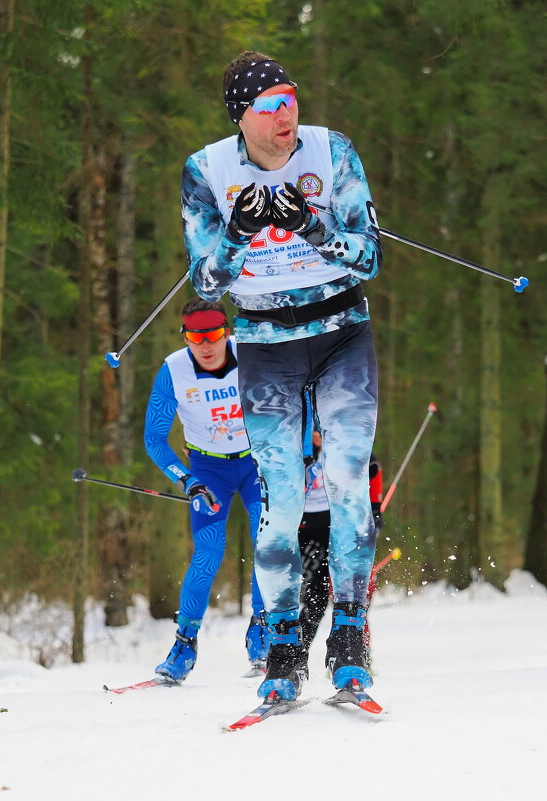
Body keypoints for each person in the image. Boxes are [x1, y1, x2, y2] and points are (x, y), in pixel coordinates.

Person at [181, 50, 382, 702]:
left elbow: (368, 256)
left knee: (350, 482)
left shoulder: (331, 151)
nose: (286, 113)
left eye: (291, 98)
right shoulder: (206, 171)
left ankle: (349, 642)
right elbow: (207, 281)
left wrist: (311, 225)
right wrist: (239, 231)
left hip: (341, 333)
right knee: (282, 504)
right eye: (269, 106)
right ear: (242, 118)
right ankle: (282, 651)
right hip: (266, 345)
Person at [143, 298, 266, 683]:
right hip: (208, 470)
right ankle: (184, 644)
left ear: (226, 331)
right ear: (186, 337)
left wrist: (303, 450)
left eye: (213, 335)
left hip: (256, 463)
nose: (206, 345)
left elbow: (296, 397)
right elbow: (154, 439)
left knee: (268, 545)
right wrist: (186, 478)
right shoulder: (173, 370)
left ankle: (264, 632)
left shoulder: (252, 353)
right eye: (196, 337)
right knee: (208, 554)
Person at [299, 425, 384, 651]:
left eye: (321, 431)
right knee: (315, 596)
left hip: (339, 525)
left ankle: (356, 652)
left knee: (352, 593)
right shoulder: (297, 450)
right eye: (313, 433)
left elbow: (372, 467)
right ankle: (296, 652)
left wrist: (374, 510)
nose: (318, 437)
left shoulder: (342, 448)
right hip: (306, 530)